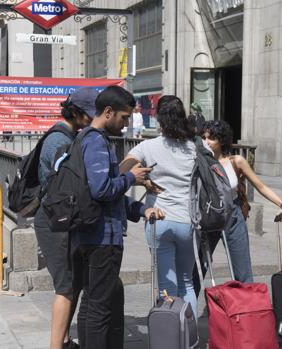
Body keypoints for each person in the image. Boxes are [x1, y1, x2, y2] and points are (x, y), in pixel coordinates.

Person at [71, 85, 163, 349]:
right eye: (124, 117)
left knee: (91, 302)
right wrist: (131, 177)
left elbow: (106, 193)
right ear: (108, 112)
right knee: (99, 307)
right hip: (102, 238)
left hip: (89, 233)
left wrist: (139, 209)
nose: (126, 124)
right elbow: (102, 189)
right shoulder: (96, 142)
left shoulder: (85, 139)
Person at [193, 120, 282, 294]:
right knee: (198, 267)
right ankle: (188, 310)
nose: (206, 142)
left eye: (212, 138)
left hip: (232, 215)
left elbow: (260, 186)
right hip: (208, 217)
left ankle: (247, 310)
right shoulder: (198, 162)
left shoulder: (235, 161)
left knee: (243, 269)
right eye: (204, 137)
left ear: (221, 140)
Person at [123, 95, 199, 315]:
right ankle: (189, 338)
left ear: (158, 117)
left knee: (167, 286)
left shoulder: (147, 147)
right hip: (188, 221)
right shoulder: (194, 147)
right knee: (187, 283)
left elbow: (121, 170)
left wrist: (144, 180)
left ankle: (169, 338)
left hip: (159, 220)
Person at [35, 88, 97, 349]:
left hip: (58, 218)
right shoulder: (60, 141)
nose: (92, 121)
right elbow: (72, 183)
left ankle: (62, 339)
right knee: (66, 286)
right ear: (76, 113)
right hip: (54, 221)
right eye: (89, 115)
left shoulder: (65, 136)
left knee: (74, 283)